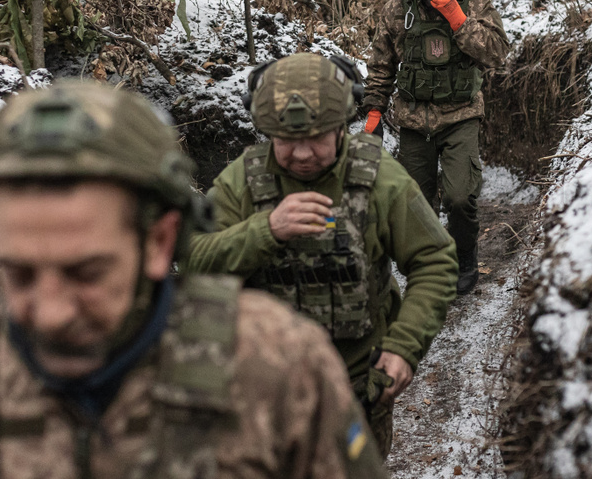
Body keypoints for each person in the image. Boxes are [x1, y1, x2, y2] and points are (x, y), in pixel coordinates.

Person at [0, 81, 386, 479]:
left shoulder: (275, 370)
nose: (49, 311)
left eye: (86, 273)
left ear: (159, 243)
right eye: (18, 273)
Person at [185, 52, 458, 458]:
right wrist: (266, 230)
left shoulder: (380, 178)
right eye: (287, 141)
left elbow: (434, 261)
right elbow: (193, 261)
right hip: (260, 385)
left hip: (357, 384)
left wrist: (403, 346)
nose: (301, 154)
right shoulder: (242, 182)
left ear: (341, 129)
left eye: (316, 138)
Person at [361, 0, 511, 295]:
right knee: (415, 203)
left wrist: (460, 21)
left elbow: (497, 55)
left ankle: (465, 257)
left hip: (460, 115)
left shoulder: (471, 1)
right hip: (413, 119)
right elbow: (381, 65)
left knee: (460, 197)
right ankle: (428, 268)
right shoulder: (397, 9)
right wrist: (373, 113)